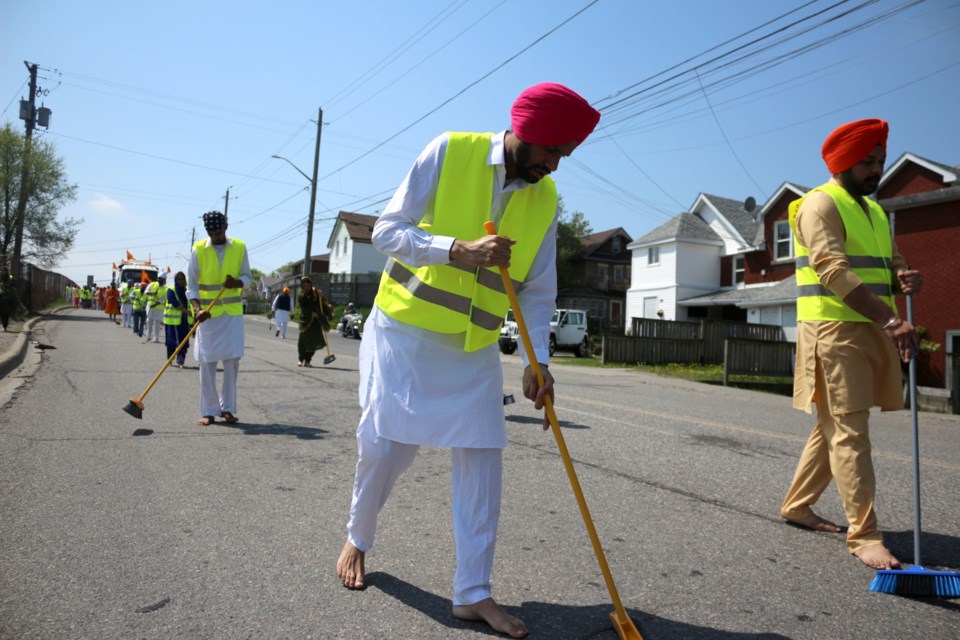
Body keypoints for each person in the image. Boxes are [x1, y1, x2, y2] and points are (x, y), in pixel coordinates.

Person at [335, 82, 600, 638]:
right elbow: (386, 231)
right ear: (527, 134)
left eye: (563, 157)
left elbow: (537, 289)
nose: (554, 166)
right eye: (552, 152)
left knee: (484, 455)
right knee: (386, 448)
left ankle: (472, 593)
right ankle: (359, 535)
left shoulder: (544, 199)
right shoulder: (449, 150)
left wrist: (538, 359)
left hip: (473, 345)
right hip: (404, 331)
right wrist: (456, 250)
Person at [779, 118, 923, 571]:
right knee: (849, 430)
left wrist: (905, 278)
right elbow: (834, 272)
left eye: (879, 161)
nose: (876, 170)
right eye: (867, 162)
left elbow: (891, 265)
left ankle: (797, 507)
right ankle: (865, 536)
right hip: (833, 331)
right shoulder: (819, 205)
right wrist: (893, 319)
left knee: (834, 427)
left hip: (870, 327)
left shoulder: (875, 210)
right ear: (842, 162)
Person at [187, 211, 251, 426]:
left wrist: (238, 283)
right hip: (208, 315)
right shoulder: (198, 250)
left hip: (232, 315)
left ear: (226, 226)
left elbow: (247, 277)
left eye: (219, 231)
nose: (216, 235)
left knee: (232, 362)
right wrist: (197, 310)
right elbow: (192, 287)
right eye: (212, 232)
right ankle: (208, 411)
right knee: (207, 362)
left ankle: (228, 409)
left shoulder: (240, 247)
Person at [295, 277, 332, 367]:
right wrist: (312, 313)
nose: (306, 288)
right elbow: (305, 307)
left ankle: (307, 360)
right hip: (305, 320)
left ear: (310, 285)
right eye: (304, 286)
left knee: (315, 341)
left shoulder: (316, 293)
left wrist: (321, 296)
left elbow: (321, 303)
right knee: (302, 341)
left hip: (316, 321)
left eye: (308, 285)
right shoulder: (300, 295)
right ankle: (300, 359)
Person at [163, 271, 193, 368]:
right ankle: (170, 359)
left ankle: (180, 361)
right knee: (171, 342)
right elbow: (174, 303)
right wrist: (186, 311)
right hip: (172, 321)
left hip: (184, 321)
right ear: (175, 280)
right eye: (178, 279)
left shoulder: (188, 291)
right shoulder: (171, 290)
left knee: (183, 341)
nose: (181, 281)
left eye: (182, 279)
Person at [144, 273, 168, 344]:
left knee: (157, 323)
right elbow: (146, 292)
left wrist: (154, 304)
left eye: (162, 279)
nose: (160, 280)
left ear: (164, 280)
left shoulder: (166, 289)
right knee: (149, 322)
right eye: (159, 279)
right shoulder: (152, 284)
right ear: (157, 279)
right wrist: (153, 293)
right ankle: (148, 336)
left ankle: (156, 338)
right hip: (150, 306)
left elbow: (162, 299)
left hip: (159, 308)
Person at [0, 265, 20, 332]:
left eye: (3, 271)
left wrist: (11, 288)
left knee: (5, 314)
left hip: (7, 298)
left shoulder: (10, 277)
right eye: (0, 270)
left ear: (6, 271)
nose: (1, 272)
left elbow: (15, 285)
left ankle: (5, 326)